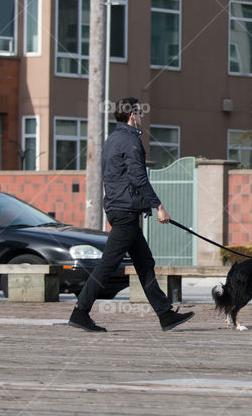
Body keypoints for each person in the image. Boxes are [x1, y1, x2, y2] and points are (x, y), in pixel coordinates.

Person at [69, 97, 194, 333]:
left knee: (145, 263)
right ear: (132, 115)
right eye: (139, 112)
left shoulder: (113, 139)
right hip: (126, 212)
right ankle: (80, 312)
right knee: (107, 265)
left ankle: (165, 314)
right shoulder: (130, 141)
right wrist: (159, 206)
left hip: (120, 209)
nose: (142, 116)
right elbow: (139, 178)